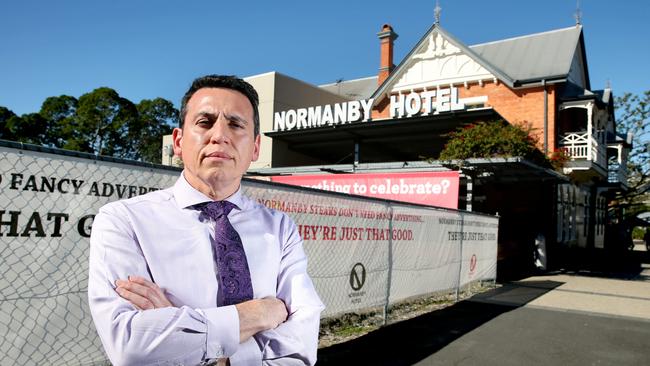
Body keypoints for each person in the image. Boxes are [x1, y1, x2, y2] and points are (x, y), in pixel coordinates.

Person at [88, 75, 324, 366]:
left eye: (236, 124)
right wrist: (259, 314)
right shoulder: (124, 221)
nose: (219, 135)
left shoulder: (280, 228)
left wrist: (181, 331)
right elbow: (131, 347)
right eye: (204, 122)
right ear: (178, 140)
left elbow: (300, 347)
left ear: (255, 148)